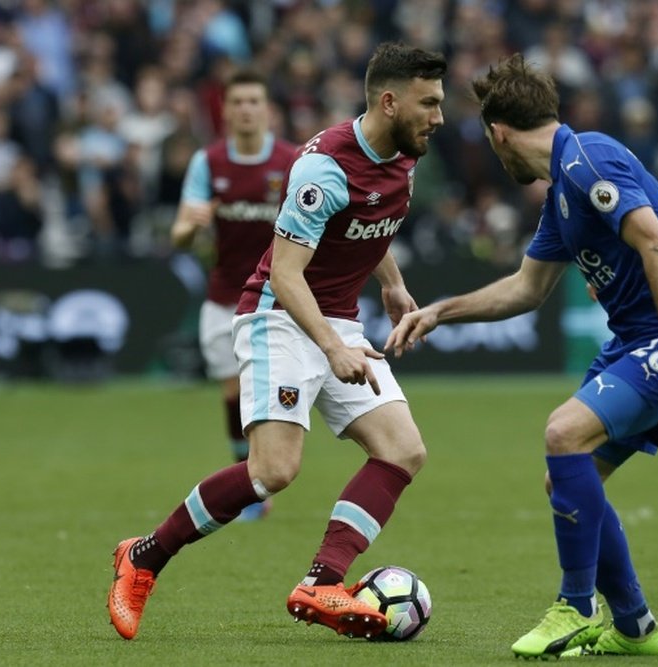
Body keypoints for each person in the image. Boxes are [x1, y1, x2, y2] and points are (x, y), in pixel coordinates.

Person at [386, 54, 658, 658]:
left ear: (498, 132)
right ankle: (633, 626)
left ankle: (574, 607)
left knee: (563, 432)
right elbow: (526, 289)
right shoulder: (561, 196)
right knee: (568, 481)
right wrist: (441, 311)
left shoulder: (587, 158)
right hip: (637, 342)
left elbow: (657, 241)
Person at [108, 42, 447, 641]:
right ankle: (145, 556)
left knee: (403, 449)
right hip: (278, 316)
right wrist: (334, 348)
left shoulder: (404, 151)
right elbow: (287, 275)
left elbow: (370, 222)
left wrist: (392, 285)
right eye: (429, 103)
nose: (439, 117)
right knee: (272, 470)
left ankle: (323, 581)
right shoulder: (323, 167)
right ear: (389, 101)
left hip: (337, 319)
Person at [170, 68, 297, 521]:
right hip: (225, 297)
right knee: (233, 393)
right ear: (225, 111)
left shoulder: (291, 161)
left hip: (279, 298)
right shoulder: (209, 163)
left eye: (253, 101)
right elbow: (179, 235)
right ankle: (248, 478)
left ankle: (260, 479)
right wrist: (192, 224)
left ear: (267, 110)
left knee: (267, 394)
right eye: (237, 102)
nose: (245, 109)